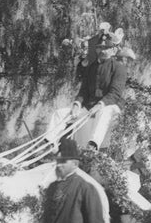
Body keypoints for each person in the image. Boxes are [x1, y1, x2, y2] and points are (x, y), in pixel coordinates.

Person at [45, 24, 128, 152]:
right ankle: (50, 142)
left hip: (111, 107)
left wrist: (100, 104)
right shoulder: (91, 68)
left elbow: (115, 93)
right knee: (60, 113)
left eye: (106, 47)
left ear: (113, 50)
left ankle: (93, 144)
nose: (102, 50)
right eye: (100, 47)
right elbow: (83, 91)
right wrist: (77, 104)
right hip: (89, 107)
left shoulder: (119, 68)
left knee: (104, 112)